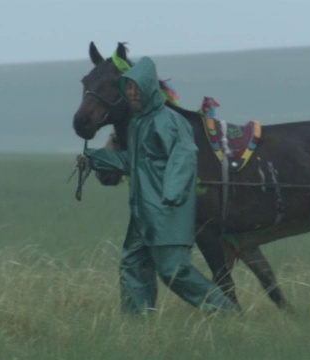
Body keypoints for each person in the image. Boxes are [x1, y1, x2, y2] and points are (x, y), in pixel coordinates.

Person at [82, 56, 239, 315]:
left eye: (136, 87)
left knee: (174, 271)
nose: (132, 93)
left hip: (167, 211)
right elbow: (132, 161)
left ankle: (225, 312)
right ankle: (138, 325)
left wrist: (173, 193)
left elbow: (185, 155)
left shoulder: (169, 121)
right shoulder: (139, 124)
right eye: (128, 87)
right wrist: (94, 158)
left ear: (148, 87)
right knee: (133, 265)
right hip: (143, 213)